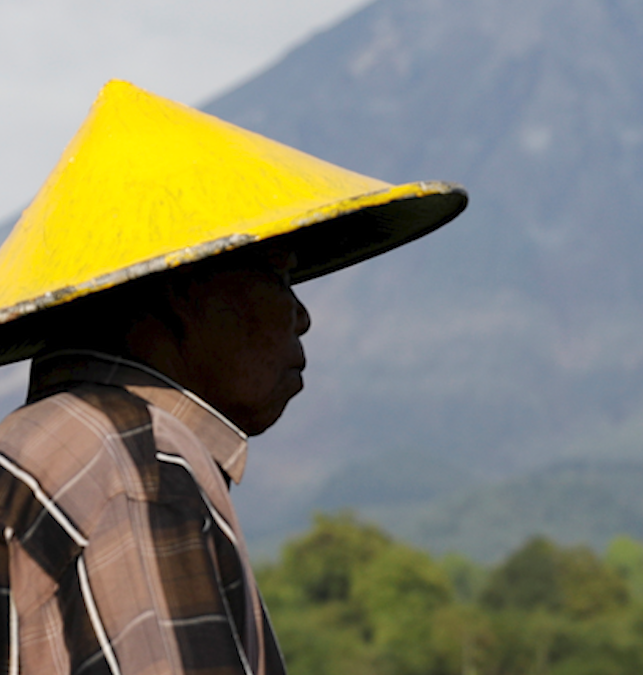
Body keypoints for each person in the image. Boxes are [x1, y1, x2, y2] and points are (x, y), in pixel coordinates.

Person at [0, 80, 467, 675]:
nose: (301, 314)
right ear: (181, 289)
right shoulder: (135, 463)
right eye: (279, 276)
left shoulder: (43, 447)